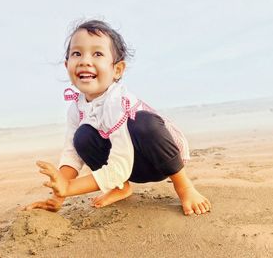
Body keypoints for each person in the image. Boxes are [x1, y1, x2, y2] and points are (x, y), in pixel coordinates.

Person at [24, 20, 211, 216]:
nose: (85, 61)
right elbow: (72, 153)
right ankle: (120, 187)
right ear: (67, 65)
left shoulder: (116, 102)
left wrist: (70, 188)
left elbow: (120, 164)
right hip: (128, 165)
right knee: (82, 136)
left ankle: (184, 186)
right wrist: (58, 196)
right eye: (77, 53)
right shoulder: (76, 107)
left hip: (159, 160)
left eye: (97, 54)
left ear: (117, 70)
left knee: (143, 123)